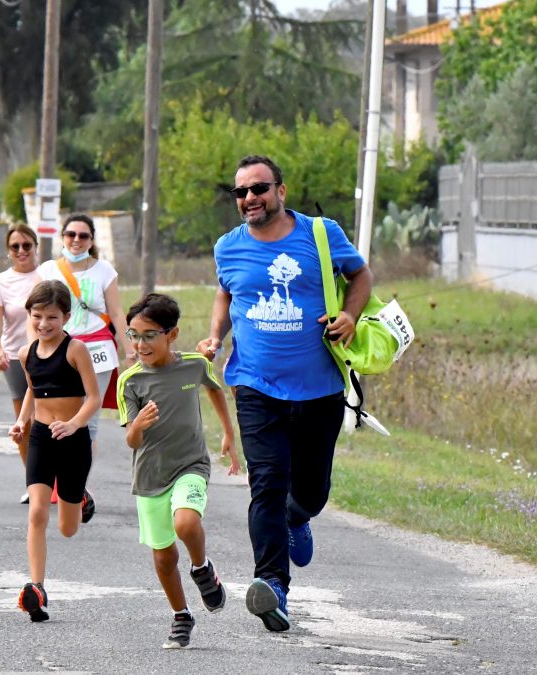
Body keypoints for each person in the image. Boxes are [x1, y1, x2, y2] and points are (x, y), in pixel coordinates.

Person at [196, 155, 373, 633]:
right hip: (255, 385)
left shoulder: (321, 233)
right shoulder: (227, 247)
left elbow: (360, 276)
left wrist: (351, 317)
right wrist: (216, 337)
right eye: (241, 192)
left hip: (319, 387)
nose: (250, 198)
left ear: (281, 191)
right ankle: (272, 585)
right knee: (267, 483)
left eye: (259, 188)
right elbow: (225, 293)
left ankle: (300, 518)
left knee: (311, 491)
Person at [118, 293, 240, 648]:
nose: (140, 344)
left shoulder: (193, 365)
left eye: (149, 335)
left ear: (172, 334)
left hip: (191, 464)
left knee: (186, 523)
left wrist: (229, 435)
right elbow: (131, 441)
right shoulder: (131, 381)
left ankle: (202, 568)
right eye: (134, 335)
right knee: (164, 555)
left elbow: (215, 390)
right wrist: (138, 424)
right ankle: (181, 615)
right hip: (150, 476)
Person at [8, 281, 101, 623]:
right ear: (29, 316)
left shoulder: (75, 350)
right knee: (36, 513)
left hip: (73, 440)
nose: (44, 324)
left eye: (51, 317)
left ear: (65, 316)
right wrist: (21, 421)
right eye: (37, 317)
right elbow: (33, 392)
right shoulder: (25, 353)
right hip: (42, 438)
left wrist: (75, 424)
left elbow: (93, 397)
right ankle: (37, 588)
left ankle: (79, 500)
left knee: (68, 529)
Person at [38, 214, 137, 521]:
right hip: (61, 348)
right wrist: (34, 348)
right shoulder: (48, 270)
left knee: (88, 421)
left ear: (92, 240)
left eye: (83, 236)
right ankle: (58, 478)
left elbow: (117, 312)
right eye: (71, 235)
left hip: (97, 349)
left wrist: (129, 347)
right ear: (62, 237)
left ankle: (77, 484)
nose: (76, 240)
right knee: (57, 413)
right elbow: (38, 312)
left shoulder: (105, 271)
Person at [0, 224, 41, 503]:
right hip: (15, 355)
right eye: (15, 246)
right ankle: (33, 482)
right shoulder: (0, 281)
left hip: (46, 356)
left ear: (36, 246)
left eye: (27, 245)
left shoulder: (47, 275)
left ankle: (55, 480)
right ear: (8, 251)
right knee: (24, 422)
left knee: (50, 416)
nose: (21, 251)